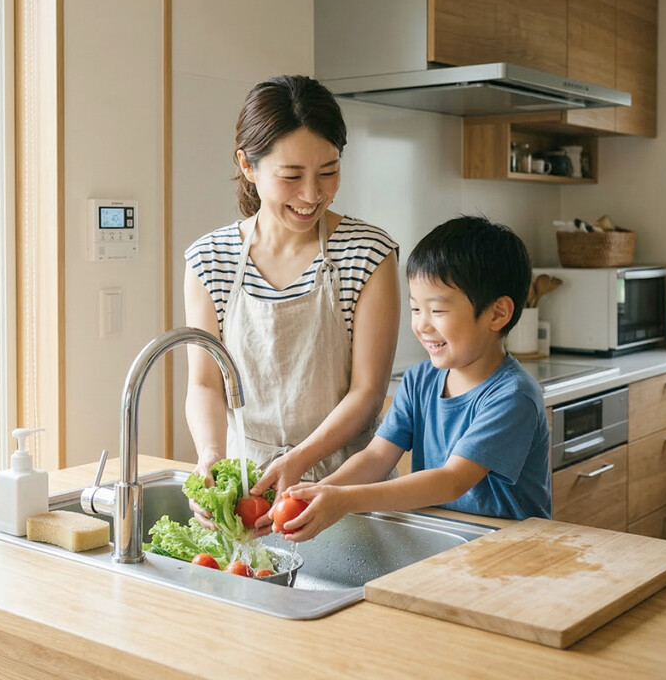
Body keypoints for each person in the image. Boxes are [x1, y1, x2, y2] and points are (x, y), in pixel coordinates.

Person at [183, 74, 400, 524]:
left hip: (345, 486)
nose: (312, 195)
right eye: (291, 176)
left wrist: (300, 461)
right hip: (249, 486)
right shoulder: (211, 259)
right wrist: (210, 458)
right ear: (247, 166)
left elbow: (367, 392)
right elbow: (205, 382)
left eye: (328, 172)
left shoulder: (368, 252)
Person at [275, 215, 551, 541]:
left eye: (437, 311)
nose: (421, 325)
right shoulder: (419, 381)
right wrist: (323, 491)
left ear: (497, 313)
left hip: (513, 549)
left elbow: (452, 480)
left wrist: (347, 500)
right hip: (446, 539)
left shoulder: (512, 395)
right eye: (416, 309)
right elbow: (377, 456)